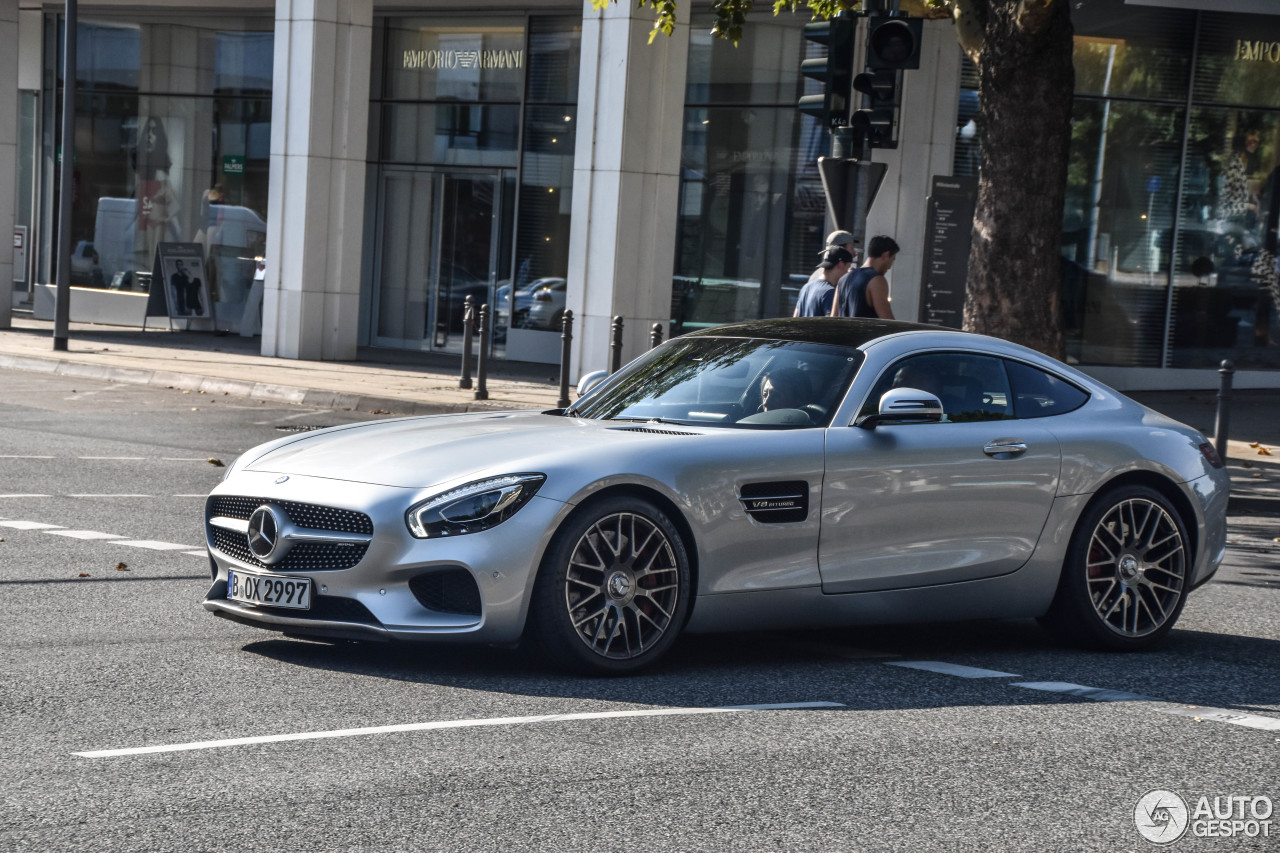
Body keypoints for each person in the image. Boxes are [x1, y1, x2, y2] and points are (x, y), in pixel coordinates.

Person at [832, 234, 899, 319]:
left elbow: (833, 317)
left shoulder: (843, 279)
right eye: (892, 260)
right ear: (886, 255)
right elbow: (888, 321)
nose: (890, 267)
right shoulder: (877, 280)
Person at [794, 245, 853, 317]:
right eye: (848, 267)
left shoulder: (805, 287)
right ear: (840, 265)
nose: (848, 273)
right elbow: (831, 325)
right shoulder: (830, 292)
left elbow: (795, 318)